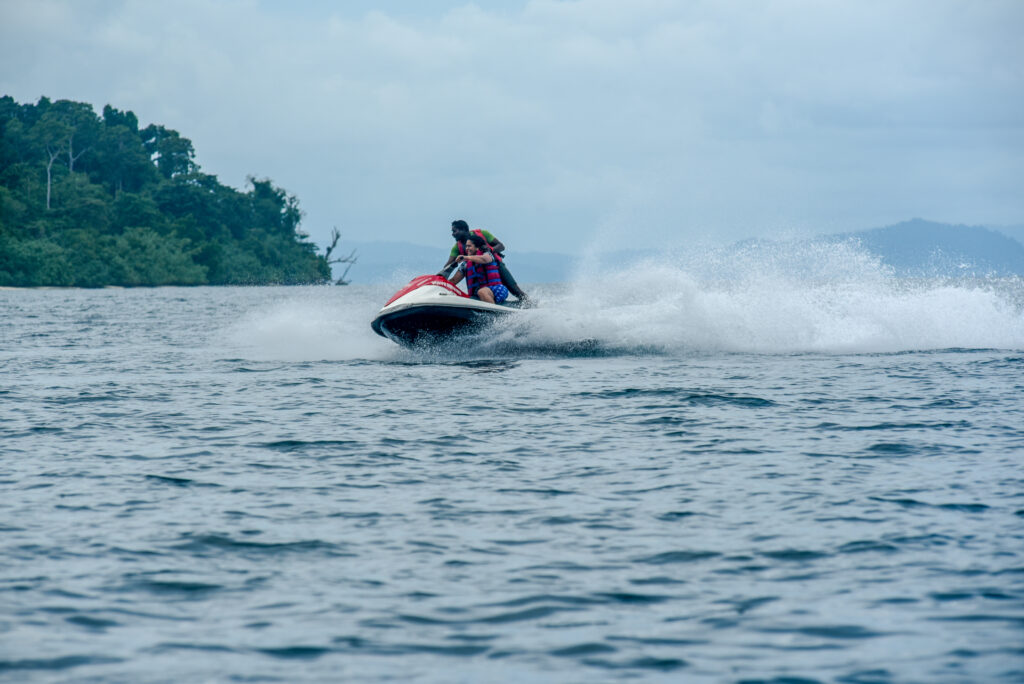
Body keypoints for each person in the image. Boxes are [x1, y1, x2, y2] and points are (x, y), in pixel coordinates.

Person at [438, 220, 529, 304]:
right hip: (479, 276)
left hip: (495, 265)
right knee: (479, 292)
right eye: (466, 246)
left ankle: (528, 304)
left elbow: (499, 248)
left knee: (514, 290)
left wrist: (490, 249)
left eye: (455, 231)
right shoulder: (461, 254)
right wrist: (438, 282)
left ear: (464, 230)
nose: (453, 234)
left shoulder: (484, 240)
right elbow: (450, 269)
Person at [449, 234, 509, 304]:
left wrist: (465, 257)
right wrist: (438, 285)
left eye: (469, 246)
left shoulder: (488, 255)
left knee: (482, 292)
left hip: (496, 290)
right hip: (477, 295)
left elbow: (484, 259)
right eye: (466, 246)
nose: (466, 248)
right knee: (465, 297)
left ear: (477, 247)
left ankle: (493, 314)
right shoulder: (465, 264)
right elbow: (453, 280)